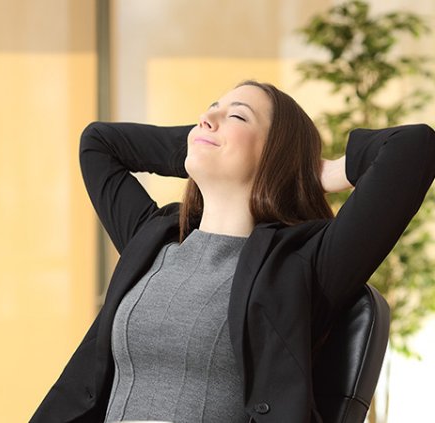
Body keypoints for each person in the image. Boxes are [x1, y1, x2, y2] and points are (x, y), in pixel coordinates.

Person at [29, 80, 435, 423]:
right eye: (210, 109)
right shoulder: (152, 238)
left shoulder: (303, 266)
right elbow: (99, 143)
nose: (208, 118)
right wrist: (205, 137)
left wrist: (316, 169)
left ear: (274, 154)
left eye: (237, 116)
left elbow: (414, 147)